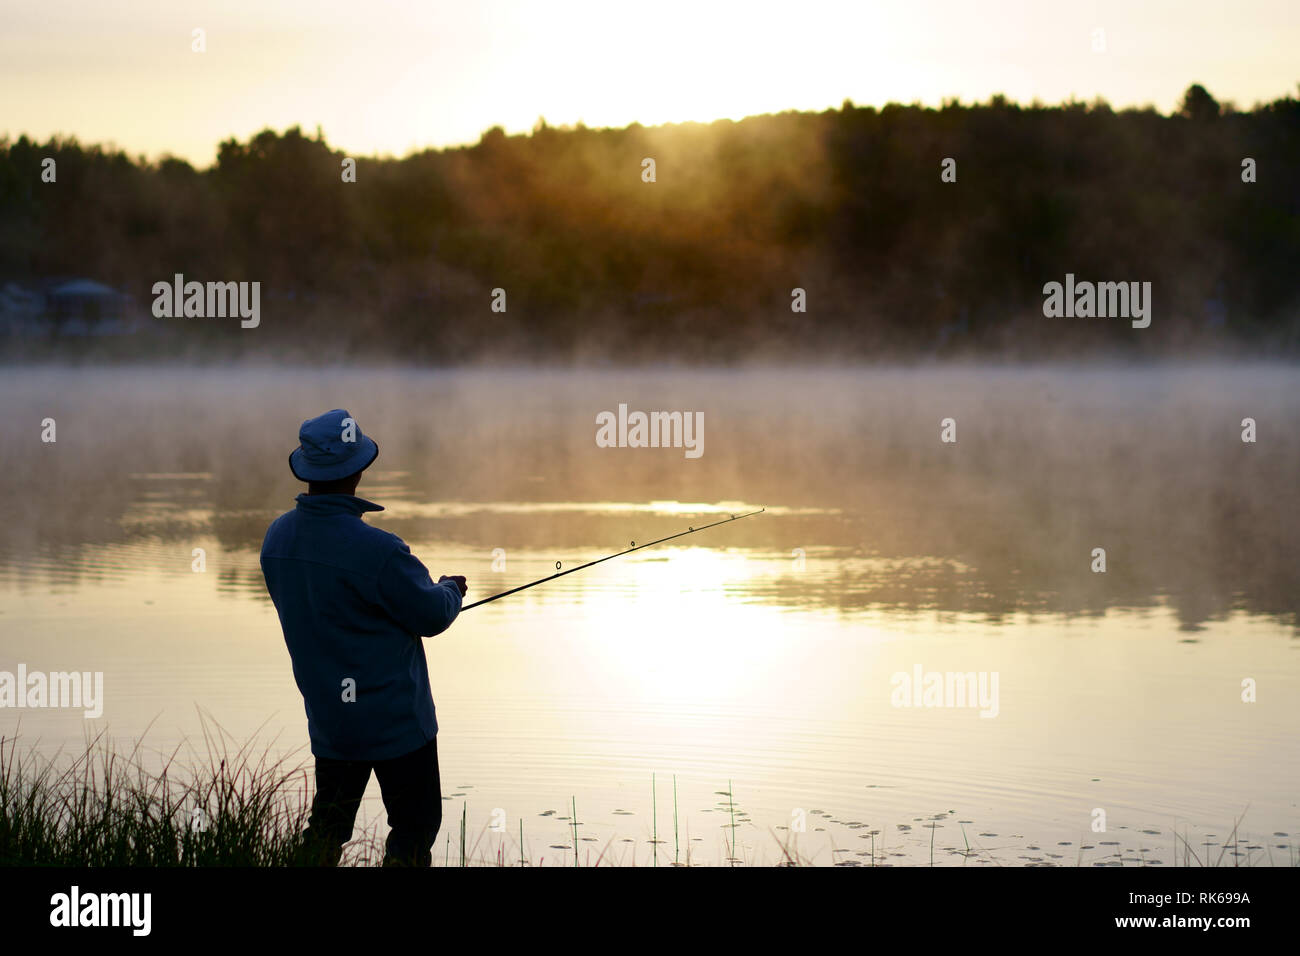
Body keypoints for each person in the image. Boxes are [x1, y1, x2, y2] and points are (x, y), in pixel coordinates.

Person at [260, 408, 468, 866]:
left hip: (332, 720)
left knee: (326, 832)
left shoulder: (276, 539)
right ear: (358, 470)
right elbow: (432, 615)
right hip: (397, 723)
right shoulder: (380, 551)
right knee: (413, 832)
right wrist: (451, 588)